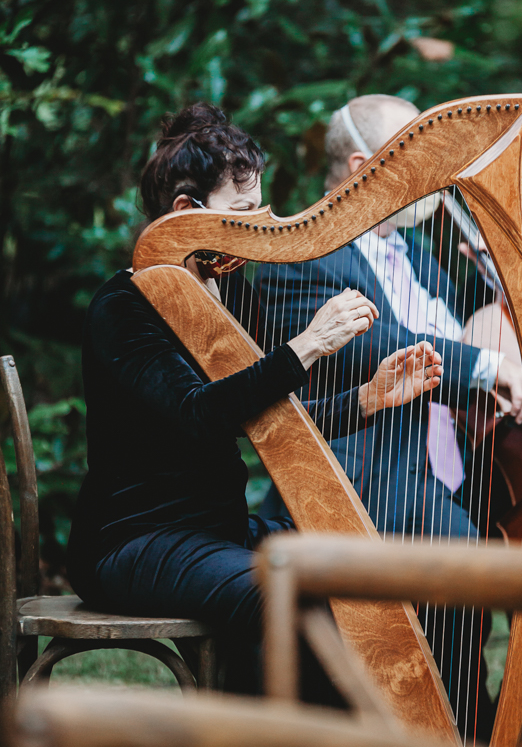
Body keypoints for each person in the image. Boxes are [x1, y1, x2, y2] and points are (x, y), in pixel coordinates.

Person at [66, 102, 442, 703]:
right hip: (137, 541)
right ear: (187, 213)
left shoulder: (229, 290)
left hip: (220, 530)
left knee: (371, 574)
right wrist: (309, 344)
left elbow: (268, 421)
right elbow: (200, 413)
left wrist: (366, 400)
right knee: (289, 597)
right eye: (243, 214)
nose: (260, 229)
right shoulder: (125, 305)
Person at [256, 94, 522, 739]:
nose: (437, 180)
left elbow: (440, 338)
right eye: (421, 160)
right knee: (468, 558)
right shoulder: (307, 254)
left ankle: (464, 720)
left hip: (427, 469)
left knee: (473, 569)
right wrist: (488, 367)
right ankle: (455, 722)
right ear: (365, 165)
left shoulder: (414, 252)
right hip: (359, 475)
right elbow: (380, 348)